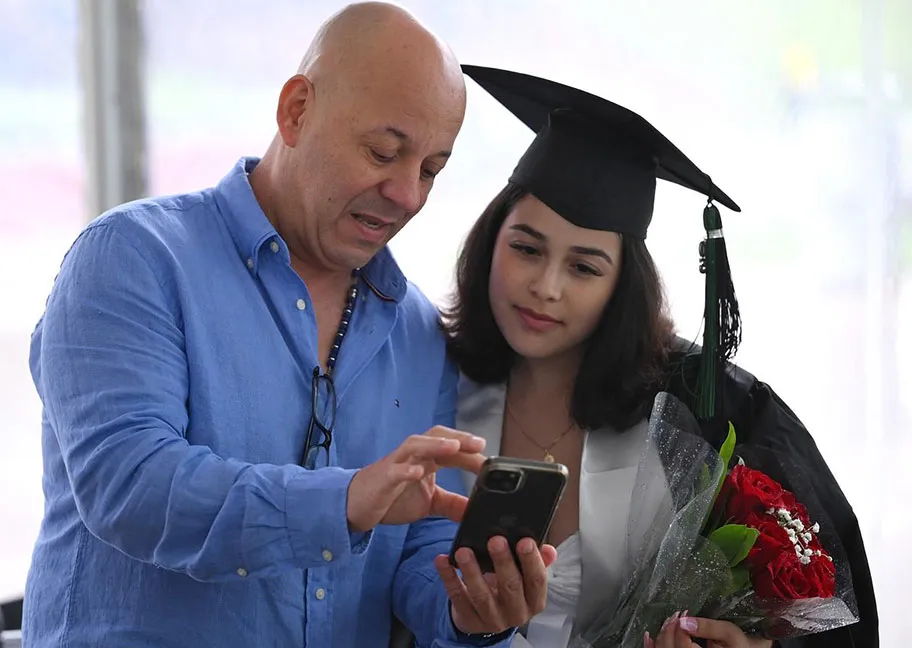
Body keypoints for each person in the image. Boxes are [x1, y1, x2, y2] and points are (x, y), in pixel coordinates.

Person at [22, 5, 553, 647]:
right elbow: (130, 486)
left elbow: (423, 543)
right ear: (296, 110)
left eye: (432, 169)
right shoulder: (132, 257)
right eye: (384, 151)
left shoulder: (420, 333)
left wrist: (469, 609)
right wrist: (345, 501)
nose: (408, 194)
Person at [443, 65, 878, 648]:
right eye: (526, 248)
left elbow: (825, 618)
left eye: (584, 267)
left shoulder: (712, 411)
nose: (546, 286)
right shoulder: (424, 377)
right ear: (490, 240)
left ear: (623, 283)